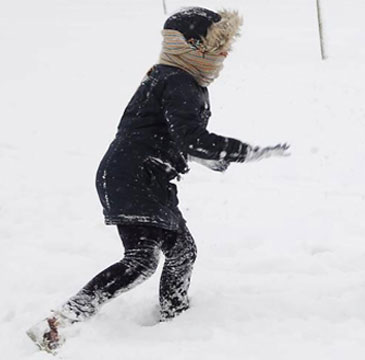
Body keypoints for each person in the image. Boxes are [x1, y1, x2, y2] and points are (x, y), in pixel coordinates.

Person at [27, 7, 289, 352]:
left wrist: (203, 157)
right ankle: (60, 321)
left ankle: (175, 315)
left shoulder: (171, 77)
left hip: (138, 174)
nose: (225, 54)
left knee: (182, 252)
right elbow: (190, 137)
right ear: (195, 46)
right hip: (136, 176)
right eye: (219, 45)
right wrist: (244, 151)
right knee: (141, 260)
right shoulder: (178, 80)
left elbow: (164, 134)